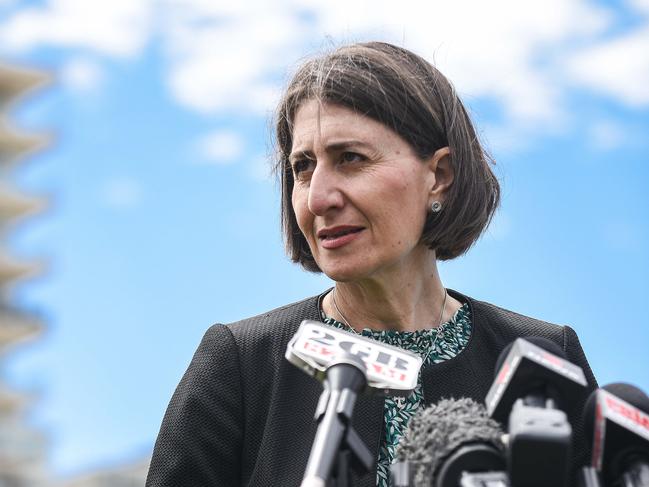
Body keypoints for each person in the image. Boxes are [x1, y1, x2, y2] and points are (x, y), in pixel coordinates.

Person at [146, 42, 597, 487]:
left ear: (439, 176)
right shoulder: (241, 362)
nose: (319, 198)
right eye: (303, 167)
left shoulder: (544, 355)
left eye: (351, 159)